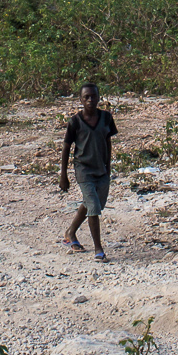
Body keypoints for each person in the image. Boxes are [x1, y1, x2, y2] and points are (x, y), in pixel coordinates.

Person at [58, 82, 117, 262]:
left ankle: (70, 232)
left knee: (95, 204)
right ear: (81, 100)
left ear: (99, 98)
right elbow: (66, 148)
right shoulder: (75, 122)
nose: (90, 100)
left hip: (101, 169)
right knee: (93, 208)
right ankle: (98, 249)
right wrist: (63, 175)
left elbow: (108, 143)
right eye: (86, 97)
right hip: (83, 170)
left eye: (93, 96)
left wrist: (108, 168)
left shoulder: (106, 118)